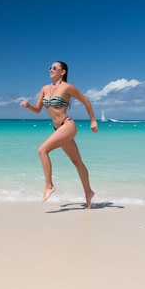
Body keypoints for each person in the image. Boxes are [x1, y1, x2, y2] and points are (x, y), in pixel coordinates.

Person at [20, 61, 98, 208]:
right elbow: (37, 110)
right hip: (58, 129)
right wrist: (28, 106)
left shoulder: (67, 87)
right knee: (77, 162)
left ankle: (49, 186)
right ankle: (88, 192)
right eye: (49, 67)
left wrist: (93, 121)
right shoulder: (44, 88)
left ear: (63, 72)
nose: (51, 69)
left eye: (54, 68)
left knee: (42, 150)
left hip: (68, 125)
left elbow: (85, 100)